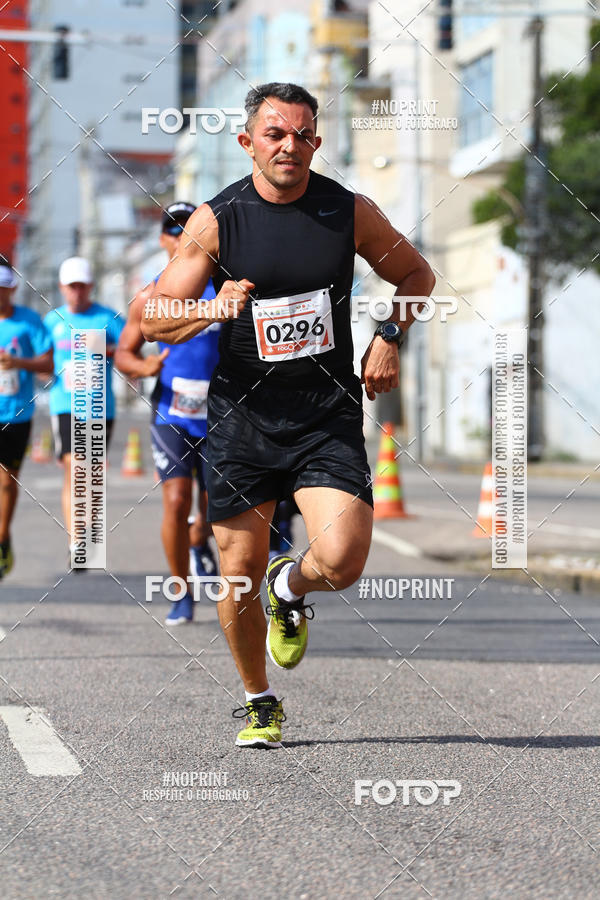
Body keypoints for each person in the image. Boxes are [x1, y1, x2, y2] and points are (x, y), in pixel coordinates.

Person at [141, 82, 435, 747]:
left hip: (324, 415)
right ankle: (259, 701)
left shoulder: (347, 211)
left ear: (316, 142)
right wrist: (213, 308)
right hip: (241, 420)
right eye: (275, 134)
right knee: (236, 572)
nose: (289, 147)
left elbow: (417, 276)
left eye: (302, 135)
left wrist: (389, 336)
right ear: (248, 142)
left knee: (343, 559)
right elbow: (154, 317)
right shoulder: (218, 220)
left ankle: (290, 586)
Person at [115, 202, 220, 626]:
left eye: (188, 229)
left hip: (221, 416)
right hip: (171, 413)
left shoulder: (223, 288)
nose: (180, 237)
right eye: (173, 231)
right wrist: (143, 367)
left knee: (215, 509)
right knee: (176, 502)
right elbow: (124, 352)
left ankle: (198, 541)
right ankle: (181, 592)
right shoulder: (151, 295)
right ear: (162, 240)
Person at [44, 256, 124, 567]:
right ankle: (76, 540)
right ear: (62, 288)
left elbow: (129, 350)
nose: (77, 292)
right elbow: (41, 359)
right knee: (75, 466)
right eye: (71, 286)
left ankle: (88, 527)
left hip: (101, 407)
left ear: (90, 286)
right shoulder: (52, 321)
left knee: (92, 473)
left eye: (82, 286)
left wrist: (106, 349)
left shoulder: (109, 318)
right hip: (65, 405)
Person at [0, 261, 53, 577]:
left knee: (7, 481)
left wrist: (17, 362)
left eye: (3, 288)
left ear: (13, 288)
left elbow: (48, 364)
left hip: (16, 413)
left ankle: (2, 538)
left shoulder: (29, 321)